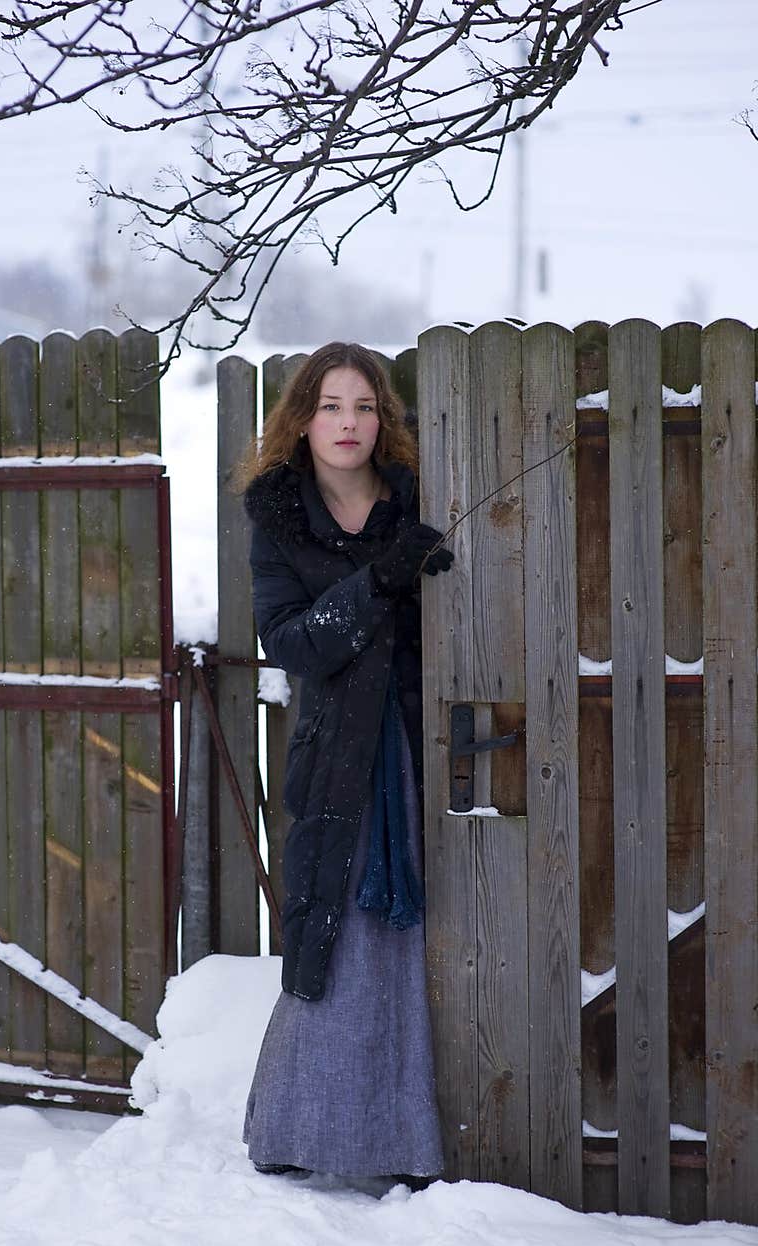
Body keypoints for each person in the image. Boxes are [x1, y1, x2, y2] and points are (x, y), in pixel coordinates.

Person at [233, 341, 454, 1189]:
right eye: (331, 406)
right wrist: (377, 585)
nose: (349, 423)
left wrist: (422, 570)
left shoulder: (420, 504)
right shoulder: (278, 520)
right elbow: (291, 643)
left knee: (427, 945)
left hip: (429, 749)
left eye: (364, 407)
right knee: (340, 940)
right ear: (301, 419)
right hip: (339, 767)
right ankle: (306, 1127)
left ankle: (406, 1136)